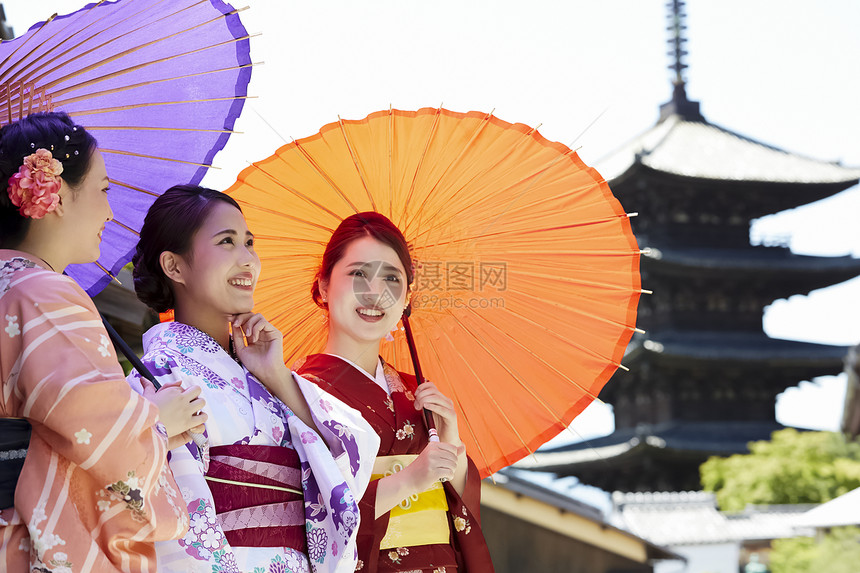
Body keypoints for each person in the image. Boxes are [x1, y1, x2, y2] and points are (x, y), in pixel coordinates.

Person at [130, 185, 380, 573]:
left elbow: (354, 449)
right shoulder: (160, 375)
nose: (248, 260)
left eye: (249, 242)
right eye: (227, 242)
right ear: (174, 266)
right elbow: (175, 511)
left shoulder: (264, 372)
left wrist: (276, 375)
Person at [0, 112, 205, 572]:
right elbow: (100, 439)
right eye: (103, 188)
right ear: (51, 195)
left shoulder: (11, 286)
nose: (110, 211)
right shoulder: (42, 294)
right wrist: (158, 420)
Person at [295, 212, 494, 573]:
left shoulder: (415, 390)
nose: (375, 293)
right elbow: (305, 514)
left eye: (391, 278)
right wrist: (410, 480)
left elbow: (452, 511)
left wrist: (453, 449)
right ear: (323, 286)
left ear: (406, 297)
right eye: (358, 274)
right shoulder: (300, 392)